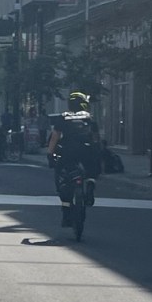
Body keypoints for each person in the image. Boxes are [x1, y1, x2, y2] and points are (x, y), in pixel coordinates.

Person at [47, 92, 101, 228]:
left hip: (68, 151)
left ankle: (66, 213)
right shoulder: (89, 117)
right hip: (87, 150)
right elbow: (95, 137)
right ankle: (90, 184)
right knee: (92, 170)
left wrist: (50, 154)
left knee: (62, 178)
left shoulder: (63, 117)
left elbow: (55, 136)